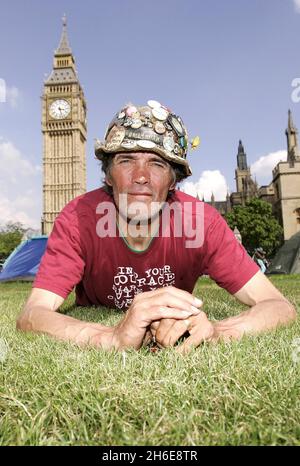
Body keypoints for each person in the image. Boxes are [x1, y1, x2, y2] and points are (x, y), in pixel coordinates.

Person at [17, 100, 296, 353]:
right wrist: (109, 336)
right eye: (126, 161)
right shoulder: (78, 218)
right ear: (108, 177)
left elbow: (278, 306)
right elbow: (32, 314)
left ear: (174, 181)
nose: (141, 177)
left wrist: (218, 332)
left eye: (157, 164)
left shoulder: (201, 222)